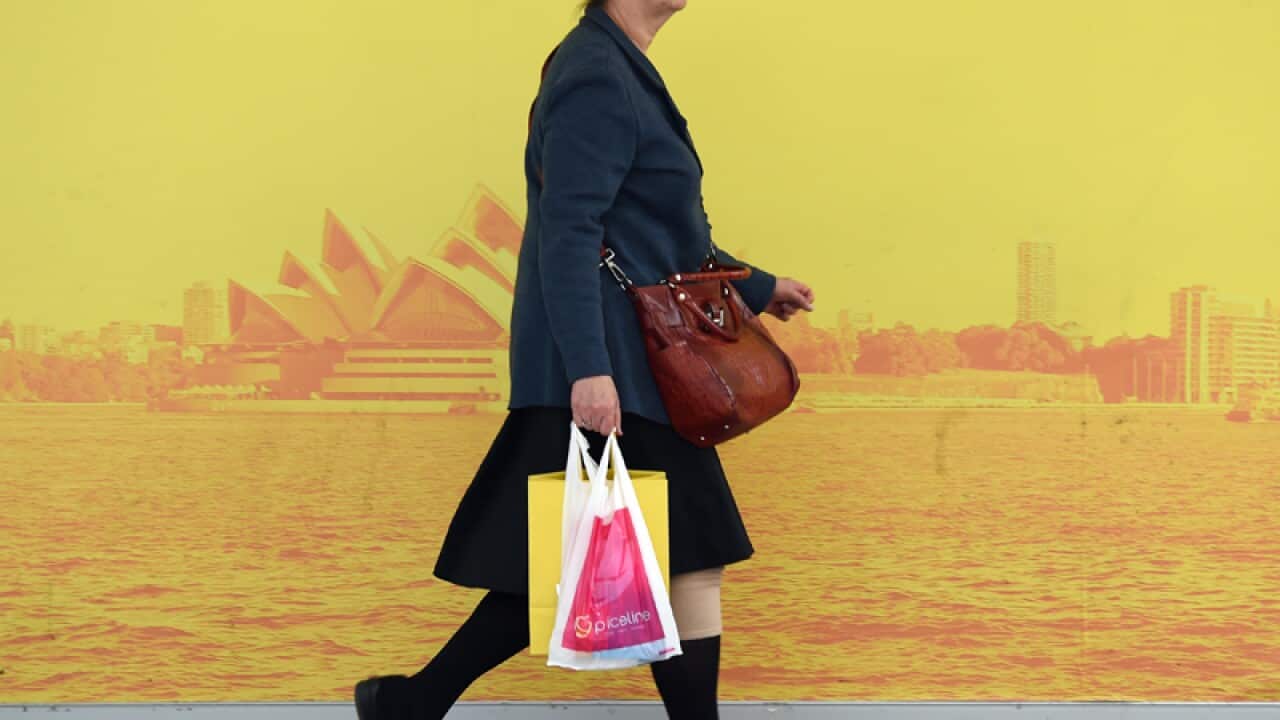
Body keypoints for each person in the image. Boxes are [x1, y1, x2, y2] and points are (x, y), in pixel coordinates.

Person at [354, 1, 815, 718]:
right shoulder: (597, 73)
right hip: (617, 371)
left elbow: (655, 232)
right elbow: (569, 233)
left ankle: (411, 704)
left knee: (589, 562)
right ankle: (412, 703)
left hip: (639, 369)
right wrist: (588, 371)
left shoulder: (616, 67)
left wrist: (761, 286)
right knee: (674, 555)